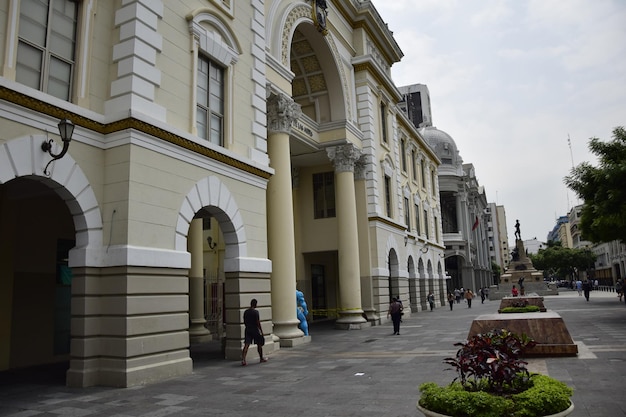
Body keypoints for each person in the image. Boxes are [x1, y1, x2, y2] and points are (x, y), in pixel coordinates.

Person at [241, 298, 267, 366]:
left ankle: (243, 360)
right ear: (255, 304)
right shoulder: (256, 312)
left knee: (246, 345)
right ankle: (261, 358)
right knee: (259, 344)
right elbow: (258, 322)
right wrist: (261, 331)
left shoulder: (246, 312)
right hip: (255, 329)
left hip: (248, 329)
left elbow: (244, 321)